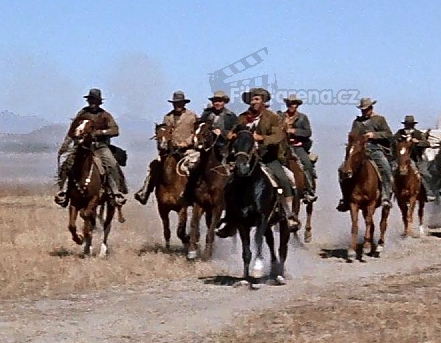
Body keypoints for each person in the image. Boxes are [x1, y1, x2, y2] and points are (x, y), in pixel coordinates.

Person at [215, 87, 298, 237]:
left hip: (267, 158)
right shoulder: (242, 117)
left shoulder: (272, 117)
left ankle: (288, 214)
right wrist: (230, 135)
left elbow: (278, 136)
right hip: (244, 158)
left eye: (256, 99)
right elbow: (233, 131)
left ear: (263, 101)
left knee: (284, 180)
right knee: (227, 183)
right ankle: (229, 218)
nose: (253, 102)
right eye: (252, 99)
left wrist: (262, 138)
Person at [56, 88, 129, 218]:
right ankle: (63, 191)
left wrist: (100, 133)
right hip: (82, 147)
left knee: (112, 164)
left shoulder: (105, 115)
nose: (92, 103)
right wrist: (65, 145)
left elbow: (115, 130)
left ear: (99, 102)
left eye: (95, 100)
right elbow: (72, 130)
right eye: (90, 100)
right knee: (67, 164)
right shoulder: (82, 114)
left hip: (100, 147)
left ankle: (116, 192)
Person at [134, 91, 198, 205]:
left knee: (193, 167)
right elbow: (164, 134)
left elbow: (197, 133)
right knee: (154, 165)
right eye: (176, 103)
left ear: (184, 103)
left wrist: (186, 142)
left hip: (187, 150)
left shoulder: (192, 116)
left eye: (180, 103)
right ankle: (145, 191)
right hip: (171, 151)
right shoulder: (167, 117)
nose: (178, 105)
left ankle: (194, 194)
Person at [338, 97, 395, 213]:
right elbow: (353, 136)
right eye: (362, 110)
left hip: (375, 149)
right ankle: (345, 198)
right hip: (359, 151)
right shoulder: (357, 122)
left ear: (371, 108)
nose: (364, 112)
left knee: (385, 168)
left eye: (366, 109)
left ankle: (385, 197)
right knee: (342, 169)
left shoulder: (379, 120)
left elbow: (389, 135)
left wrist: (374, 135)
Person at [281, 94, 317, 205]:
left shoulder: (302, 118)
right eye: (290, 103)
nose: (291, 105)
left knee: (306, 164)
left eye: (294, 103)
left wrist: (295, 131)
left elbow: (308, 132)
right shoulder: (280, 117)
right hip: (282, 146)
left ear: (297, 105)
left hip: (297, 146)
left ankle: (309, 190)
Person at [393, 115, 436, 199]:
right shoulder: (399, 133)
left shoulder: (418, 133)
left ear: (413, 125)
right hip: (401, 159)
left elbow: (426, 143)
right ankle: (390, 192)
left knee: (425, 174)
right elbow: (392, 142)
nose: (408, 127)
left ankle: (428, 192)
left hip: (416, 159)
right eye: (407, 125)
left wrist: (418, 142)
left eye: (410, 125)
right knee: (391, 172)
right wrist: (398, 142)